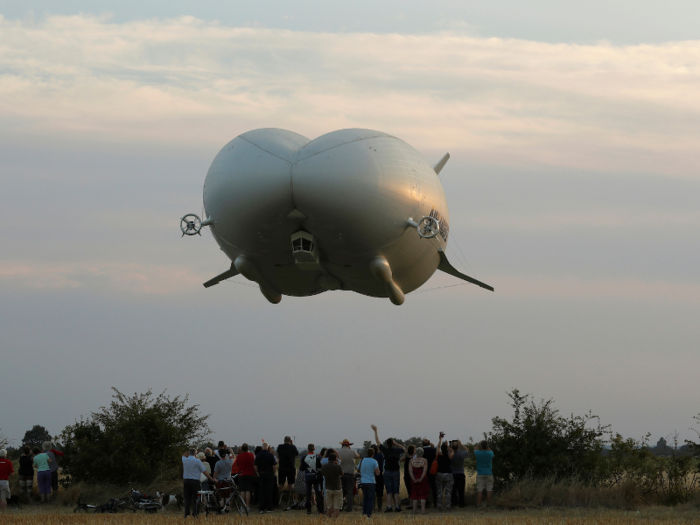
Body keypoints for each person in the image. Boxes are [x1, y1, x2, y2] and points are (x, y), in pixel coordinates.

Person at [371, 424, 404, 512]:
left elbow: (377, 442)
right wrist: (396, 443)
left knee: (389, 490)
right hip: (396, 471)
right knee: (396, 490)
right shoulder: (397, 451)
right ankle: (397, 506)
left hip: (387, 472)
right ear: (393, 444)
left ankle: (389, 506)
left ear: (386, 444)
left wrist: (375, 431)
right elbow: (404, 449)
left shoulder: (385, 450)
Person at [182, 447, 216, 517]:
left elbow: (183, 455)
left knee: (187, 498)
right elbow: (204, 471)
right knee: (196, 499)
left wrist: (189, 450)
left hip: (186, 481)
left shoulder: (185, 460)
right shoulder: (197, 461)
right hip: (195, 482)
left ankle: (186, 514)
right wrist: (211, 478)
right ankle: (195, 513)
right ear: (195, 454)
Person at [337, 439, 359, 512]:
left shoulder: (338, 451)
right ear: (349, 445)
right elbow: (358, 456)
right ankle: (349, 508)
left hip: (341, 474)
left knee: (341, 491)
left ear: (342, 445)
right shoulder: (352, 452)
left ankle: (340, 507)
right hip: (350, 474)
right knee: (349, 492)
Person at [357, 447, 380, 518]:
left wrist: (363, 472)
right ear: (373, 454)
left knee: (365, 498)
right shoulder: (374, 461)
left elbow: (358, 469)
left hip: (363, 482)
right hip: (371, 482)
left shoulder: (362, 460)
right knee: (371, 499)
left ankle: (364, 513)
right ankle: (369, 514)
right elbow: (377, 473)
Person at [255, 442, 277, 513]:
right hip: (269, 474)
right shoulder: (271, 455)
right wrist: (273, 473)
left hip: (261, 474)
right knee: (269, 491)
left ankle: (261, 508)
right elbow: (274, 466)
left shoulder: (258, 455)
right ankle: (269, 508)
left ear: (262, 447)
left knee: (261, 491)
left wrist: (258, 473)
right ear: (268, 447)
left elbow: (255, 466)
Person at [277, 436, 298, 508]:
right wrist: (291, 445)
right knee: (291, 484)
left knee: (280, 484)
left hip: (282, 468)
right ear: (290, 440)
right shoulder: (293, 447)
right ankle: (291, 500)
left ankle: (279, 499)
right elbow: (296, 454)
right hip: (291, 468)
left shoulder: (280, 447)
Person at [302, 443, 324, 515]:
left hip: (308, 477)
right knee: (318, 493)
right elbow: (321, 466)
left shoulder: (304, 457)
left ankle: (308, 509)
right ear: (314, 449)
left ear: (308, 449)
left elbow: (301, 468)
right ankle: (319, 509)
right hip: (316, 477)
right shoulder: (318, 457)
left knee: (308, 493)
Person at [435, 434, 454, 510]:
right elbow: (452, 451)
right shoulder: (449, 456)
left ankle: (439, 505)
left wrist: (440, 440)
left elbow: (438, 448)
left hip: (439, 474)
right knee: (448, 491)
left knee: (439, 491)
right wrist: (447, 445)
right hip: (448, 474)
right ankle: (448, 506)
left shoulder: (438, 455)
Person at [321, 451, 343, 519]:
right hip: (337, 488)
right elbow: (342, 474)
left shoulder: (324, 467)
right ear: (335, 459)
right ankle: (335, 519)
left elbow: (322, 474)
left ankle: (328, 518)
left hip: (328, 487)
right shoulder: (338, 467)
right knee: (337, 506)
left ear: (328, 459)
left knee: (329, 506)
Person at [235, 443, 255, 512]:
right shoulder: (252, 455)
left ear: (241, 449)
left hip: (241, 474)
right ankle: (247, 506)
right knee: (248, 491)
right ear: (248, 448)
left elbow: (237, 464)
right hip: (250, 474)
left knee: (242, 491)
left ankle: (242, 506)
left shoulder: (239, 456)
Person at [474, 440, 494, 508]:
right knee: (489, 489)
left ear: (481, 446)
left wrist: (478, 444)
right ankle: (488, 504)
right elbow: (491, 451)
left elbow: (475, 449)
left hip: (480, 473)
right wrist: (487, 446)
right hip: (489, 473)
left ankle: (478, 504)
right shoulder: (490, 453)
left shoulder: (478, 453)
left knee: (479, 489)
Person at [409, 447, 429, 514]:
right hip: (423, 479)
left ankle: (414, 510)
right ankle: (423, 511)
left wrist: (414, 479)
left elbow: (410, 471)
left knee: (415, 494)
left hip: (414, 478)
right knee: (423, 494)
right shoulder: (424, 460)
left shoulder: (411, 460)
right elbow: (425, 470)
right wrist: (421, 478)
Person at [450, 440, 469, 508]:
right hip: (460, 473)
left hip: (453, 474)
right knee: (461, 490)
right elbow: (467, 450)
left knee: (453, 490)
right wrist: (461, 444)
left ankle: (454, 503)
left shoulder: (450, 455)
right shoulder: (461, 454)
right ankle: (461, 503)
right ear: (458, 447)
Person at [421, 438, 437, 508]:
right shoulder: (434, 450)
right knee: (434, 487)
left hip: (424, 470)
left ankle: (426, 502)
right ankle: (435, 502)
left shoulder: (421, 451)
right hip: (433, 470)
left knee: (425, 487)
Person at [372, 445, 385, 511]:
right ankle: (379, 507)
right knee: (379, 492)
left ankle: (373, 507)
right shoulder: (381, 456)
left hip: (371, 475)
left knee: (373, 491)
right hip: (379, 475)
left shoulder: (370, 457)